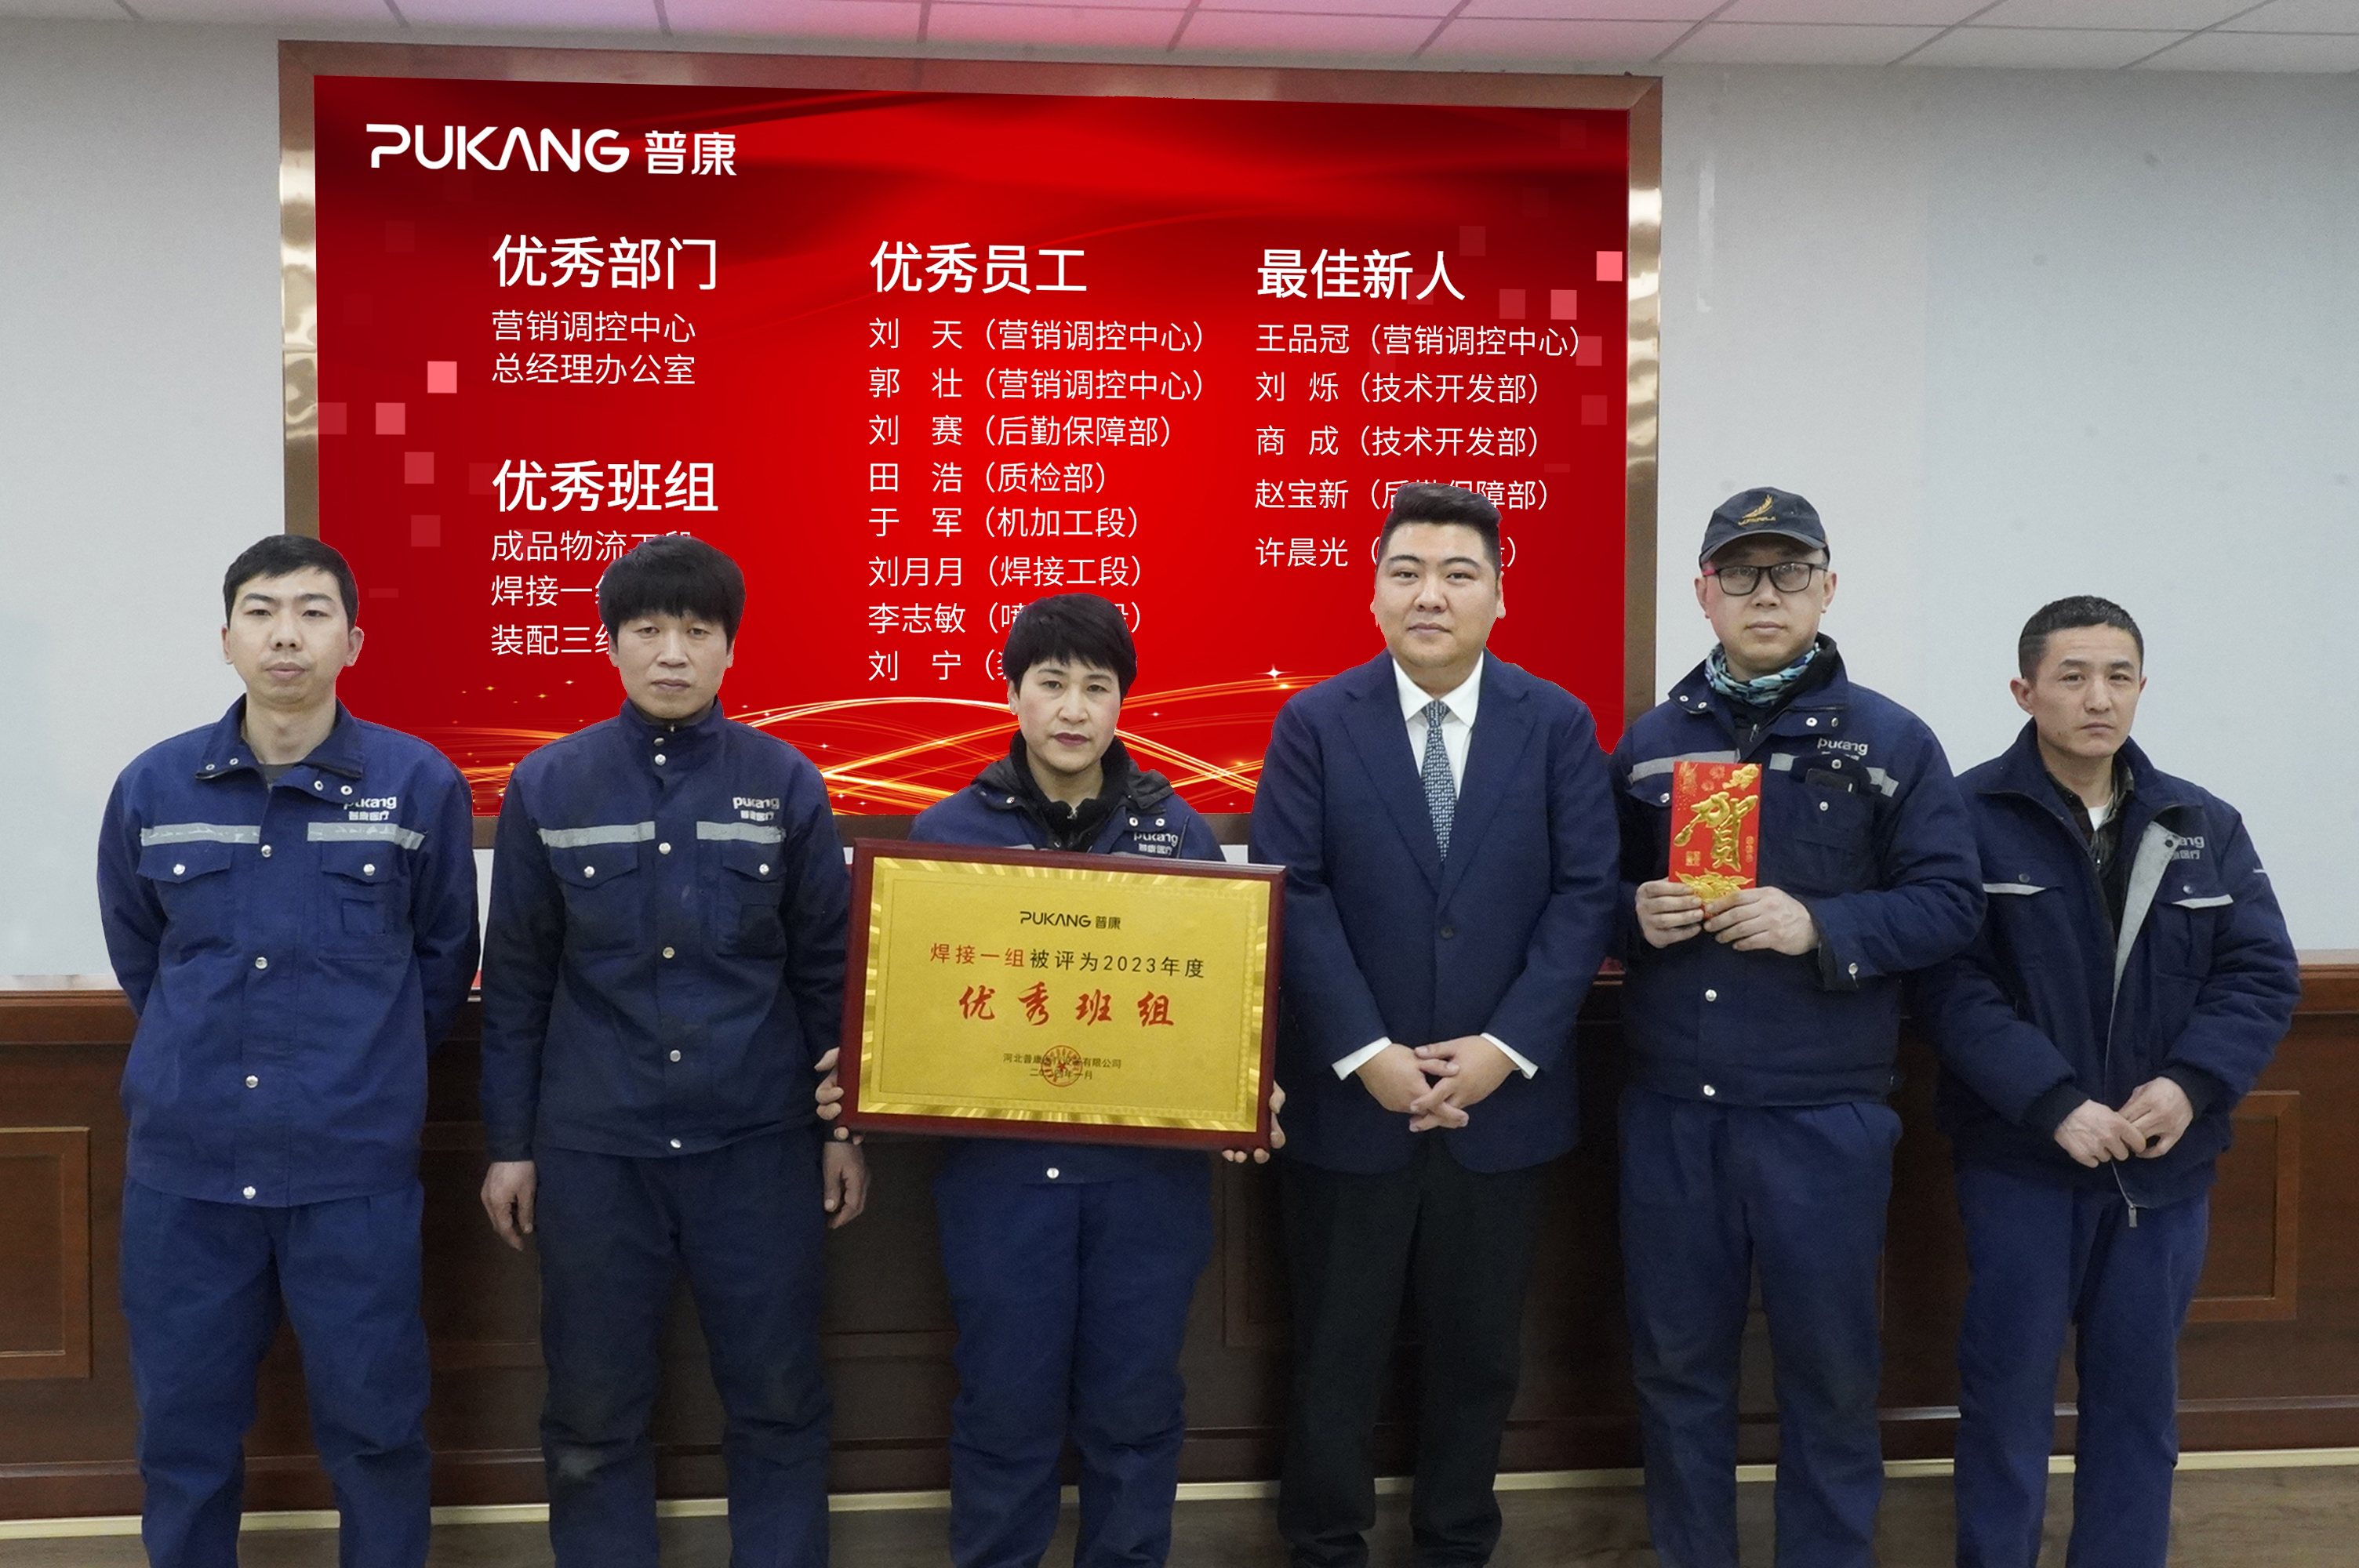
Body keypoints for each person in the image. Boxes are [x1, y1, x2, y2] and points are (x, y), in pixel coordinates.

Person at [819, 592, 1256, 1568]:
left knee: (1135, 1410)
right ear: (1011, 693)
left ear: (1121, 702)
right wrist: (863, 1065)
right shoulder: (943, 835)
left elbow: (1222, 998)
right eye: (1050, 683)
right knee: (1003, 1409)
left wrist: (1242, 1079)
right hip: (1001, 1183)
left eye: (1095, 687)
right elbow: (902, 1000)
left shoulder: (1176, 832)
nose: (1072, 708)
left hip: (1146, 1189)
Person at [1248, 483, 1619, 1568]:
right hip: (1351, 1105)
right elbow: (1294, 890)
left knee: (1478, 1354)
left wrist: (1506, 1048)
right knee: (1335, 1350)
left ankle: (1457, 1542)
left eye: (1459, 574)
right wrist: (1365, 1052)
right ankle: (1325, 1545)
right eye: (1405, 571)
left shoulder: (1556, 724)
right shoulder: (1315, 723)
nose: (1430, 594)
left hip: (1501, 1106)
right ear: (1372, 593)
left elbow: (1584, 894)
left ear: (1499, 597)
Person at [477, 536, 865, 1567]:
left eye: (697, 630)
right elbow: (515, 981)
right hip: (596, 1151)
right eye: (647, 629)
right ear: (609, 645)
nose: (672, 652)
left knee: (778, 1398)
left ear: (730, 648)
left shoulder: (785, 782)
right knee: (593, 1408)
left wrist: (845, 1131)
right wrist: (510, 1145)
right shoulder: (548, 784)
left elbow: (827, 972)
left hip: (759, 1143)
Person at [1612, 488, 1982, 1568]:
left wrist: (1821, 923)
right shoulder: (1651, 743)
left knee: (1829, 1374)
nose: (1763, 594)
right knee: (1676, 1370)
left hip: (1823, 1118)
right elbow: (1582, 892)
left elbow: (1950, 904)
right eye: (1739, 573)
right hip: (1673, 1114)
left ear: (1827, 588)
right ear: (1703, 593)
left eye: (1788, 572)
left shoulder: (1893, 741)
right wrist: (1632, 914)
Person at [96, 535, 479, 1568]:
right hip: (188, 1172)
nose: (286, 635)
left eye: (313, 612)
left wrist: (364, 1073)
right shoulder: (154, 786)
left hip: (351, 1170)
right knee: (183, 1439)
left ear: (353, 641)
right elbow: (143, 956)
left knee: (378, 1431)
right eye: (261, 612)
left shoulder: (417, 784)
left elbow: (443, 959)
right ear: (225, 638)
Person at [1915, 597, 2299, 1568]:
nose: (2097, 697)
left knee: (2136, 1401)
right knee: (2005, 1396)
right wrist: (2051, 1101)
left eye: (2117, 676)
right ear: (2023, 690)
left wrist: (2190, 1083)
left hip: (2160, 1171)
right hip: (2021, 1162)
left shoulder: (2199, 821)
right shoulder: (1962, 816)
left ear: (2139, 687)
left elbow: (2258, 973)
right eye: (2072, 675)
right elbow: (1948, 984)